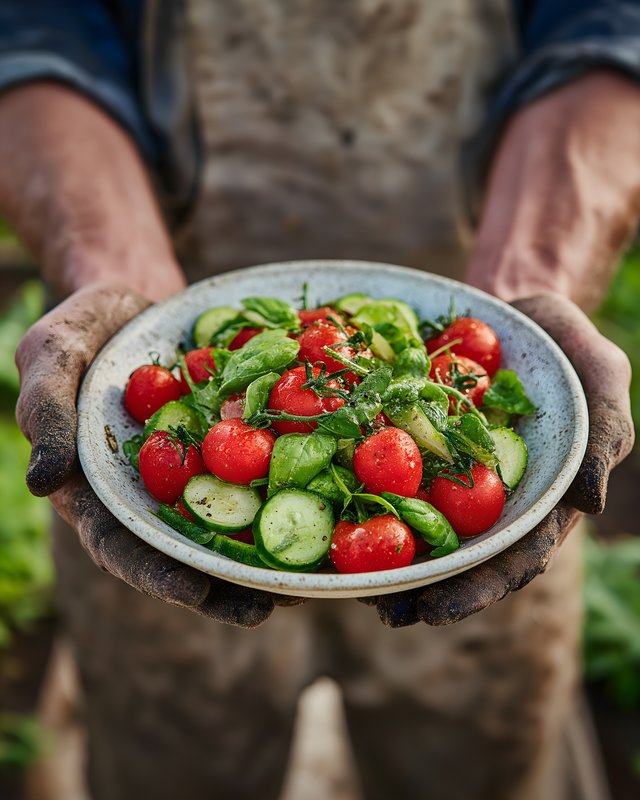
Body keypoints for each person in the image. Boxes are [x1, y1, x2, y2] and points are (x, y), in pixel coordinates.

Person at [0, 2, 638, 799]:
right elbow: (35, 32)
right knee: (179, 762)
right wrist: (112, 272)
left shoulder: (432, 414)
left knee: (478, 763)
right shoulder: (222, 400)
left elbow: (613, 30)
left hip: (481, 254)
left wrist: (527, 288)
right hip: (157, 255)